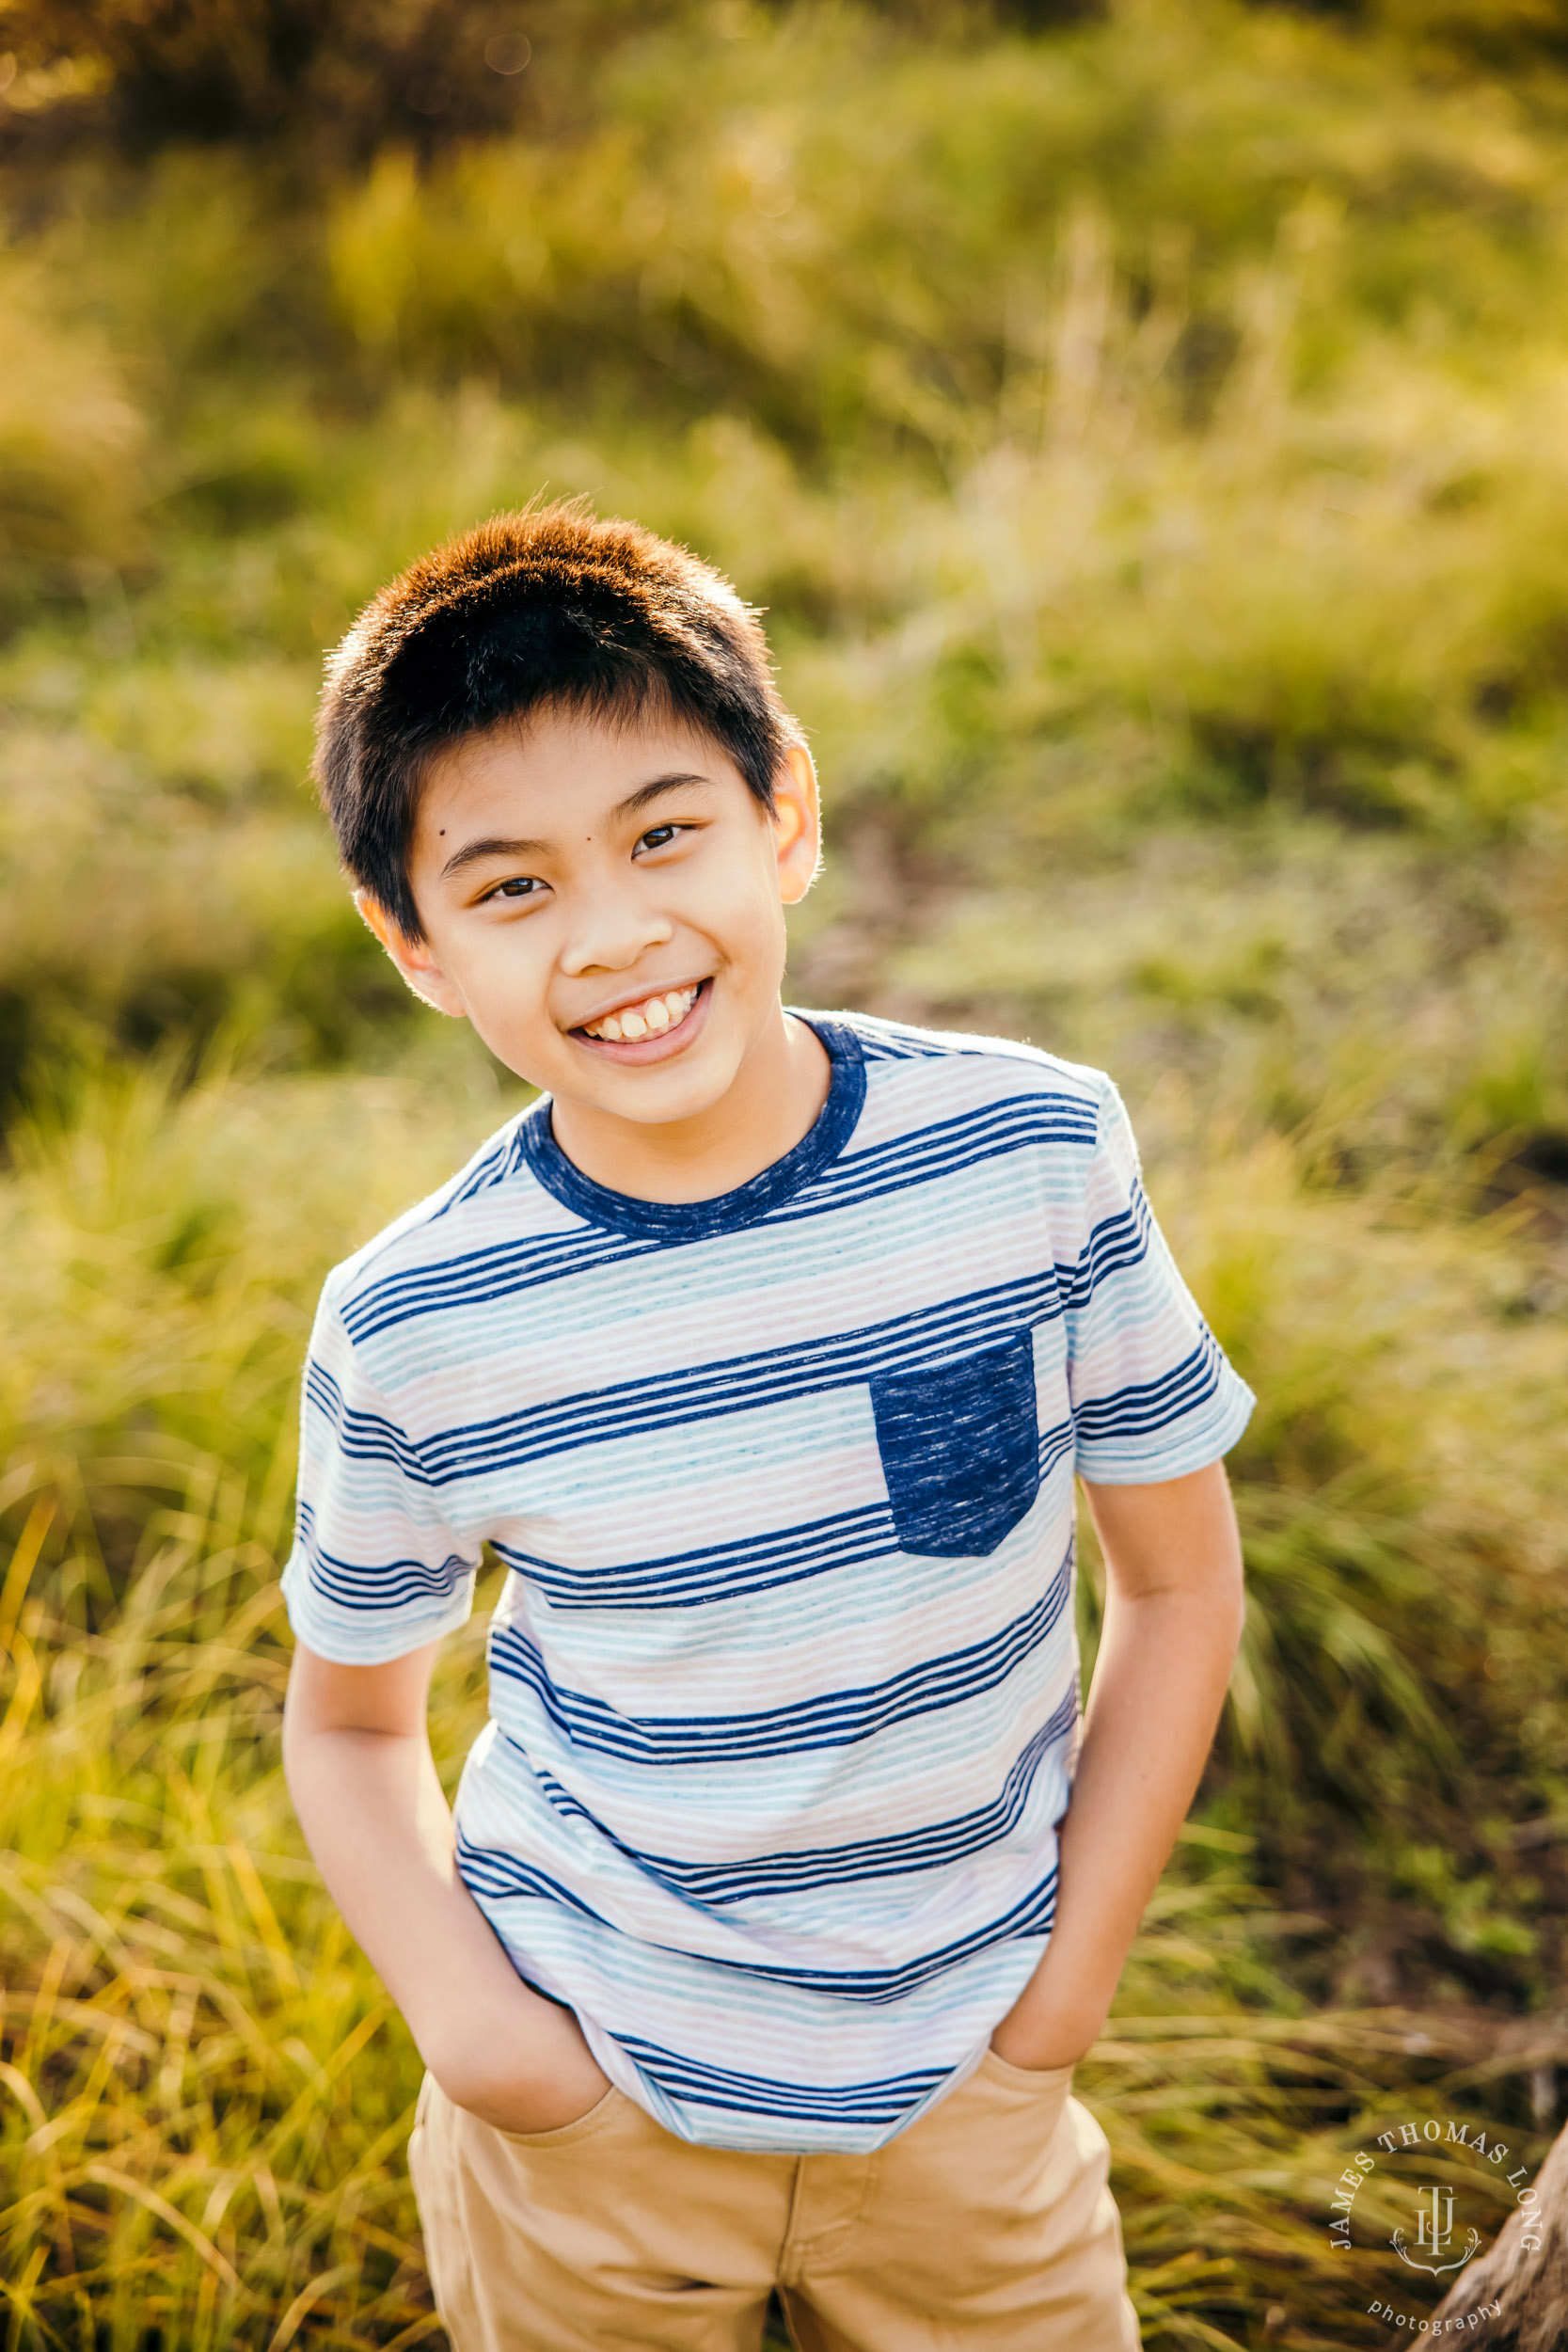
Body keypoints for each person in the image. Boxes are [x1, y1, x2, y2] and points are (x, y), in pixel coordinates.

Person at [279, 501, 1253, 2351]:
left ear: (783, 813)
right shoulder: (415, 1318)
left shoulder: (1031, 1153)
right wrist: (496, 2047)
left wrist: (1063, 1993)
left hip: (977, 2088)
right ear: (413, 944)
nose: (615, 934)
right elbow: (346, 1717)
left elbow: (1182, 1585)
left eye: (665, 834)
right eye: (511, 885)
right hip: (594, 2133)